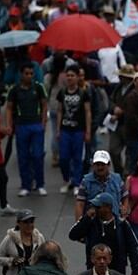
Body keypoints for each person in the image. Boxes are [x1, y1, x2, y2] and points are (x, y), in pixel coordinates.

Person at [68, 192, 138, 275]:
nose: (94, 209)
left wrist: (136, 271)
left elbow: (132, 247)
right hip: (94, 270)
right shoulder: (90, 222)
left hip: (117, 270)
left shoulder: (121, 224)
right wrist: (86, 218)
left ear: (108, 208)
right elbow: (72, 235)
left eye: (98, 207)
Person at [6, 64, 48, 197]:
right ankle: (26, 185)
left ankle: (40, 184)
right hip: (21, 125)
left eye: (31, 73)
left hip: (35, 125)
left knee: (37, 155)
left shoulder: (38, 87)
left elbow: (44, 105)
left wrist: (43, 123)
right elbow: (9, 108)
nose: (29, 76)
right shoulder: (14, 90)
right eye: (26, 73)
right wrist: (9, 125)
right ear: (21, 74)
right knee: (23, 157)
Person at [56, 66, 92, 194]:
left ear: (77, 77)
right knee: (64, 157)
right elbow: (60, 110)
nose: (70, 78)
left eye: (72, 75)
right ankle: (67, 180)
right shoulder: (62, 92)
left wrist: (87, 131)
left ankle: (77, 182)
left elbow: (88, 112)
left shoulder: (83, 93)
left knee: (77, 157)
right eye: (68, 75)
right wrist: (58, 129)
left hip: (78, 130)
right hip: (65, 129)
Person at [75, 150, 126, 220]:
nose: (100, 167)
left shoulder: (117, 179)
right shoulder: (86, 181)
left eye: (103, 165)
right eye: (97, 165)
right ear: (93, 165)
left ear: (109, 165)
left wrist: (124, 213)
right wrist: (79, 224)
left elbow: (125, 196)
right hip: (92, 224)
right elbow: (80, 203)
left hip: (114, 223)